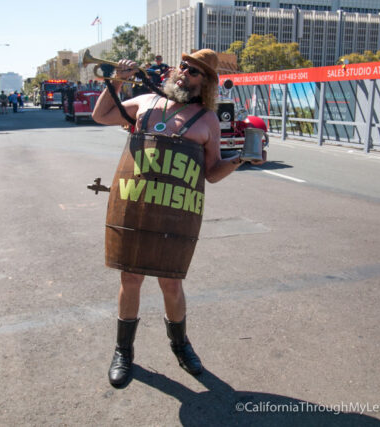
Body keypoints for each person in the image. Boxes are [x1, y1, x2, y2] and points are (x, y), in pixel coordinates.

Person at [92, 49, 267, 387]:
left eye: (195, 72)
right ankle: (123, 350)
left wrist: (240, 160)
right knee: (130, 279)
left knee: (171, 282)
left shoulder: (207, 120)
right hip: (135, 204)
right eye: (184, 66)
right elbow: (101, 115)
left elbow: (211, 173)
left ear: (206, 84)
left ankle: (181, 345)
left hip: (175, 212)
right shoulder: (145, 103)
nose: (185, 73)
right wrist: (117, 80)